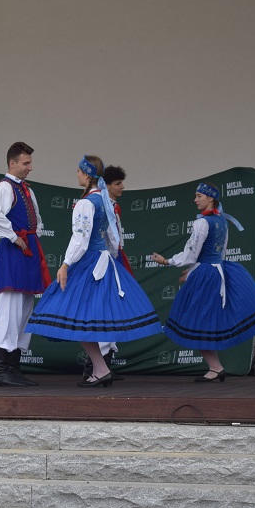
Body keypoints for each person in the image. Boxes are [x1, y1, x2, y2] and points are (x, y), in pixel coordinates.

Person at [26, 156, 162, 387]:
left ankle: (100, 369)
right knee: (88, 319)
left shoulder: (87, 203)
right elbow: (113, 238)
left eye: (79, 171)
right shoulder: (105, 200)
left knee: (79, 317)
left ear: (87, 174)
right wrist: (112, 260)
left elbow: (80, 239)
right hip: (103, 260)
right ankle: (101, 369)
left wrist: (65, 264)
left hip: (88, 262)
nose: (77, 174)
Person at [151, 182, 255, 381]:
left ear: (210, 198)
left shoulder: (202, 222)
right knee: (203, 321)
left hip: (205, 274)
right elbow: (221, 252)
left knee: (195, 320)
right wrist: (193, 271)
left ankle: (216, 367)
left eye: (199, 196)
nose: (195, 200)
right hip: (216, 271)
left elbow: (191, 253)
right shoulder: (222, 221)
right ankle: (215, 367)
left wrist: (167, 261)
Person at [0, 142, 51, 387]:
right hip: (14, 251)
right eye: (26, 163)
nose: (30, 168)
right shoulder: (4, 187)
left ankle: (13, 367)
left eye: (30, 163)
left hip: (27, 250)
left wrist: (32, 237)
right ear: (12, 163)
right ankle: (1, 369)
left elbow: (37, 220)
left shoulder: (26, 190)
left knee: (24, 310)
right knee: (9, 309)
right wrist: (13, 237)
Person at [84, 164, 130, 381]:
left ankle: (106, 365)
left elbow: (116, 238)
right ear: (107, 185)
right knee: (100, 310)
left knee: (111, 310)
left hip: (113, 258)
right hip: (102, 260)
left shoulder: (112, 206)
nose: (122, 187)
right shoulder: (98, 205)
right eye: (118, 183)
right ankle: (94, 367)